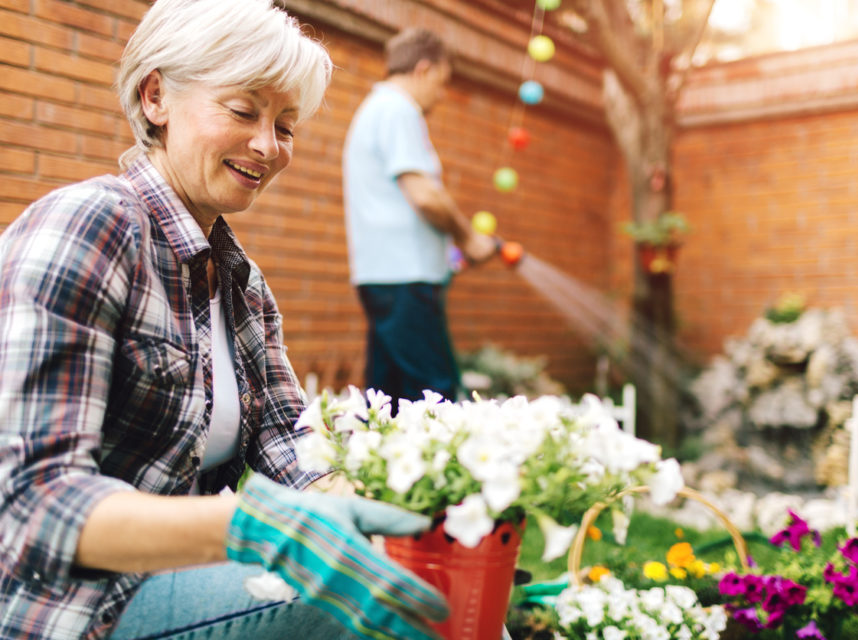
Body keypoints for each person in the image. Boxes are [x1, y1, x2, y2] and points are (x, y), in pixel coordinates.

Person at [0, 1, 448, 639]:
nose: (267, 145)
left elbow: (293, 449)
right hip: (71, 610)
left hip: (179, 582)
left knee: (433, 587)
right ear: (156, 96)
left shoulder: (240, 283)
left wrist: (412, 539)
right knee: (367, 616)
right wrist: (251, 527)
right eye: (242, 111)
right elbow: (30, 504)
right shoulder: (88, 227)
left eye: (286, 125)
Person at [343, 27, 498, 408]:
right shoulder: (399, 109)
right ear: (424, 69)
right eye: (442, 83)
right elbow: (425, 195)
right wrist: (469, 239)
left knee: (387, 401)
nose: (441, 95)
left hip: (384, 276)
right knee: (436, 396)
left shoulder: (375, 109)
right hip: (405, 280)